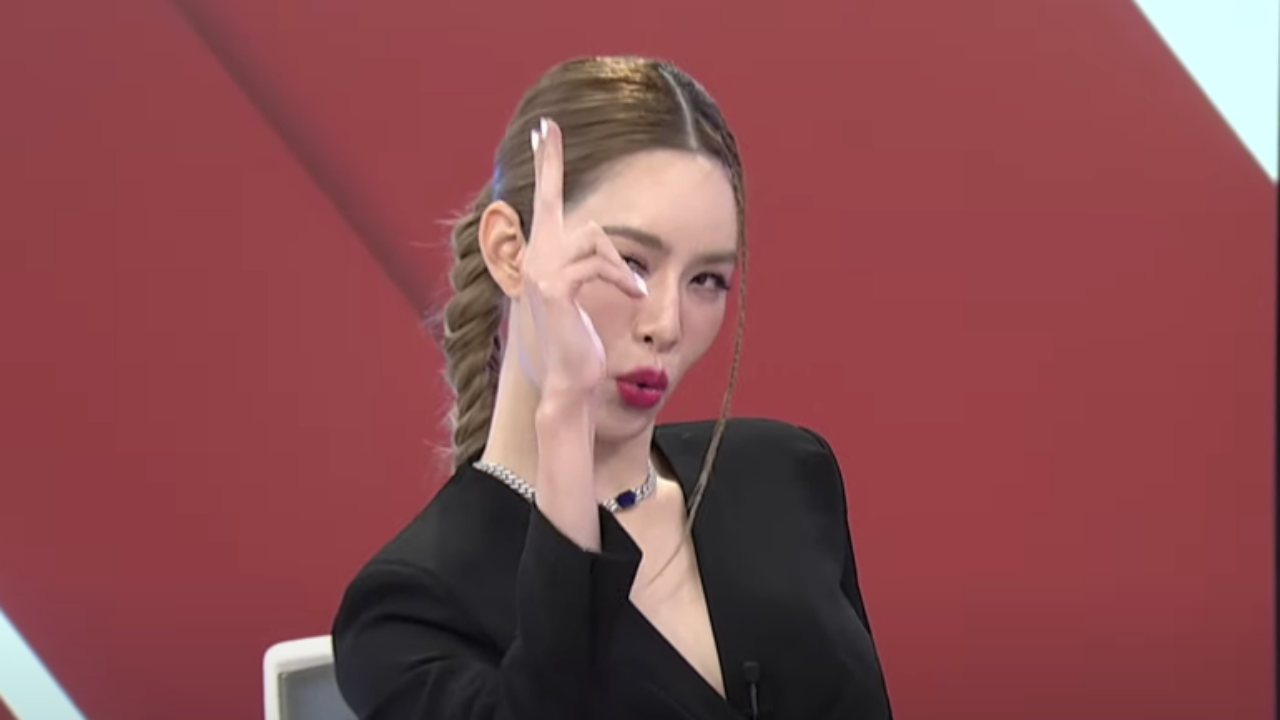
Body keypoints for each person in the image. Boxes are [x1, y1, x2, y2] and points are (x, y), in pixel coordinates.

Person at [331, 55, 893, 720]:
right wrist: (565, 414)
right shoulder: (409, 608)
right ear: (511, 251)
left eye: (706, 280)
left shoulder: (785, 477)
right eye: (629, 263)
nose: (667, 324)